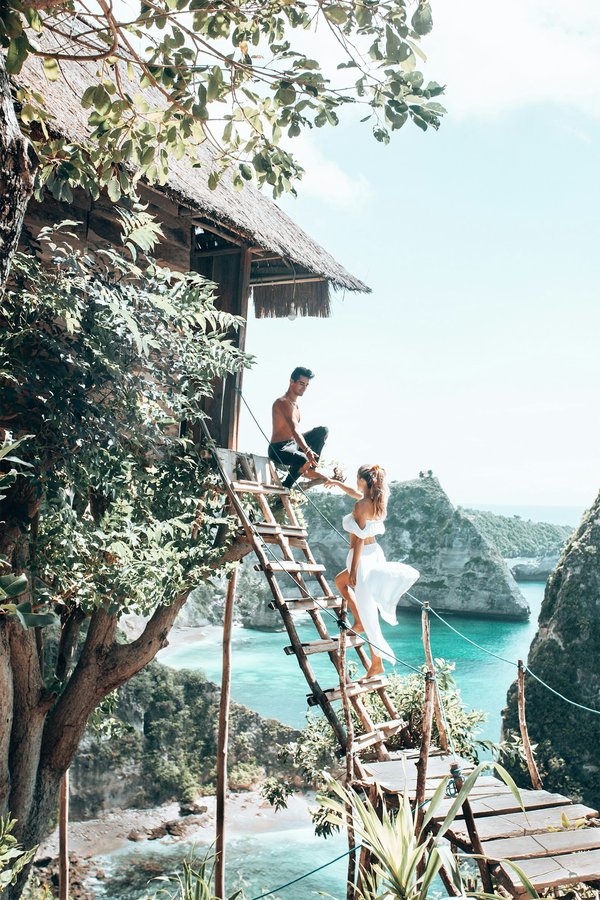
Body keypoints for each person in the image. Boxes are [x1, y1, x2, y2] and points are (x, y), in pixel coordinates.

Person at [326, 464, 420, 678]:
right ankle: (358, 621)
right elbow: (355, 493)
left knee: (369, 613)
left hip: (361, 557)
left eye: (356, 478)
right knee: (340, 582)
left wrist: (353, 570)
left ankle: (377, 663)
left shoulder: (361, 505)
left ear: (362, 480)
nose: (355, 482)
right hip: (374, 552)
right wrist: (337, 484)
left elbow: (359, 539)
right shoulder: (377, 500)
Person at [268, 366, 329, 489]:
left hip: (292, 444)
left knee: (322, 431)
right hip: (279, 449)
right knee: (304, 458)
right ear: (292, 382)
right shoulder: (283, 402)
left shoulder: (295, 405)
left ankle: (311, 468)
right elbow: (294, 429)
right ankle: (287, 485)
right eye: (301, 383)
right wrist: (307, 450)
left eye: (306, 385)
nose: (304, 388)